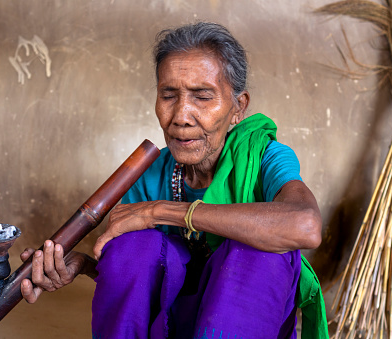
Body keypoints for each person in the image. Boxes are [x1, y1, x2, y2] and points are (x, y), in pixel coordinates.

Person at [20, 22, 323, 338]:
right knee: (135, 246)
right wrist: (82, 265)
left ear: (238, 107)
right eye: (168, 95)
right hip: (171, 326)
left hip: (241, 323)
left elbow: (306, 226)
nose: (180, 115)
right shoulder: (149, 174)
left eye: (202, 96)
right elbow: (139, 277)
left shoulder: (264, 157)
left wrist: (158, 212)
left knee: (258, 250)